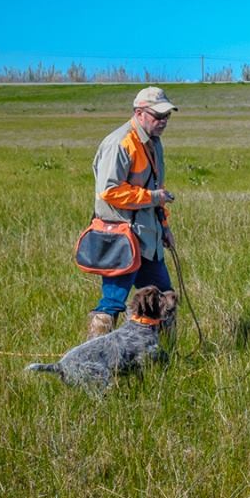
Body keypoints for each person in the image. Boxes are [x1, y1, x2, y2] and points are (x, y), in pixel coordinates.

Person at [85, 86, 178, 339]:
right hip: (121, 240)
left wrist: (165, 228)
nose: (163, 122)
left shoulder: (154, 144)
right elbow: (110, 191)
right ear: (139, 113)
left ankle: (157, 357)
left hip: (150, 239)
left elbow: (156, 188)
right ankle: (97, 359)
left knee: (165, 300)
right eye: (158, 116)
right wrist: (152, 197)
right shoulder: (119, 143)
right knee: (111, 306)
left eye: (167, 116)